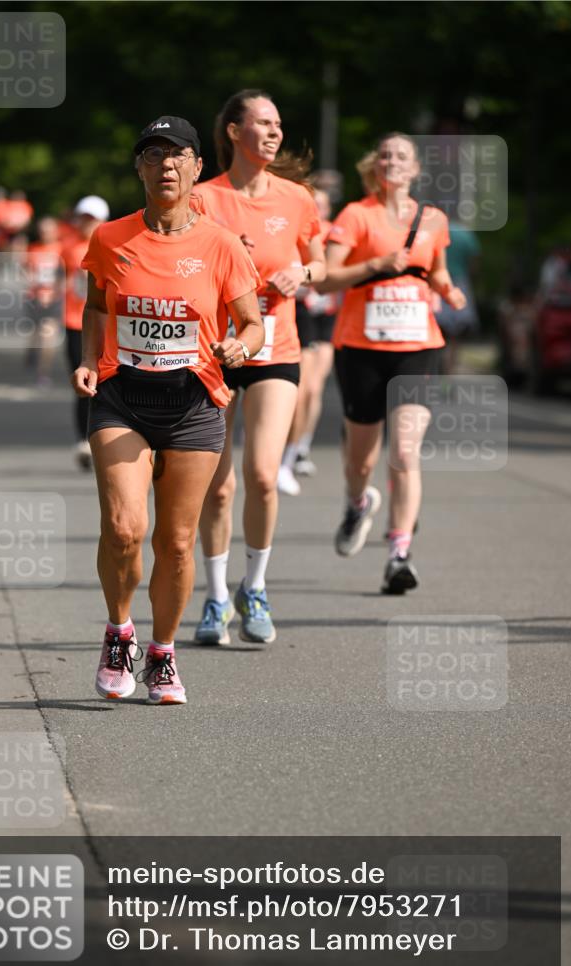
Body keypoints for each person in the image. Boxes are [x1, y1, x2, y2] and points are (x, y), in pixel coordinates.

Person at [72, 115, 263, 703]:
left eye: (177, 155)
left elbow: (254, 325)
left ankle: (162, 655)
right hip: (122, 398)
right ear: (140, 168)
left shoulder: (221, 245)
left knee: (177, 544)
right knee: (125, 529)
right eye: (153, 156)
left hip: (194, 405)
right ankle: (119, 631)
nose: (166, 166)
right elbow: (97, 307)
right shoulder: (110, 239)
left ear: (197, 167)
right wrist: (87, 359)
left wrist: (241, 345)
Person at [193, 89, 326, 645]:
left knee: (263, 476)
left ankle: (256, 587)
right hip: (216, 353)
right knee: (217, 488)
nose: (274, 133)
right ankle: (218, 596)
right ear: (232, 131)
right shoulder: (203, 198)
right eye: (262, 123)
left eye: (278, 124)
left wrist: (306, 275)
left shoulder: (296, 198)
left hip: (276, 348)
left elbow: (320, 258)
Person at [321, 132, 466, 594]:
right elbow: (326, 279)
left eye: (401, 155)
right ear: (375, 166)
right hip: (360, 349)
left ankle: (399, 553)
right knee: (360, 460)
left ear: (416, 169)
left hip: (418, 346)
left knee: (404, 451)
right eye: (384, 154)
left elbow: (435, 268)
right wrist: (375, 265)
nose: (392, 161)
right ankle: (357, 502)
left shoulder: (434, 220)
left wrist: (448, 289)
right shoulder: (355, 215)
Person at [277, 184, 341, 494]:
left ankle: (300, 446)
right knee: (302, 389)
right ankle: (285, 453)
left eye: (322, 204)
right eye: (312, 203)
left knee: (315, 389)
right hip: (301, 309)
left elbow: (340, 270)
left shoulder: (336, 232)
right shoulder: (290, 227)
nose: (317, 209)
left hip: (327, 314)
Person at [61, 195, 110, 469]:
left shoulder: (112, 245)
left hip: (106, 323)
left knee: (107, 383)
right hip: (73, 321)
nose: (86, 224)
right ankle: (83, 439)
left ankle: (104, 437)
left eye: (92, 219)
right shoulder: (68, 248)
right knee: (82, 381)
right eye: (83, 218)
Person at [434, 221, 481, 375]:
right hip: (460, 283)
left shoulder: (436, 232)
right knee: (456, 334)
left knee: (437, 329)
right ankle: (449, 369)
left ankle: (436, 365)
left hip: (437, 283)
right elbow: (474, 262)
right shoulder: (466, 235)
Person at [25, 217, 64, 388]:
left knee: (47, 334)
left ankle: (43, 373)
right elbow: (26, 274)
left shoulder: (62, 249)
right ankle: (32, 351)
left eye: (48, 230)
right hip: (35, 299)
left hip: (54, 299)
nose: (45, 234)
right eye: (42, 231)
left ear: (55, 231)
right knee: (37, 332)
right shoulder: (32, 250)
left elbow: (66, 274)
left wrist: (56, 292)